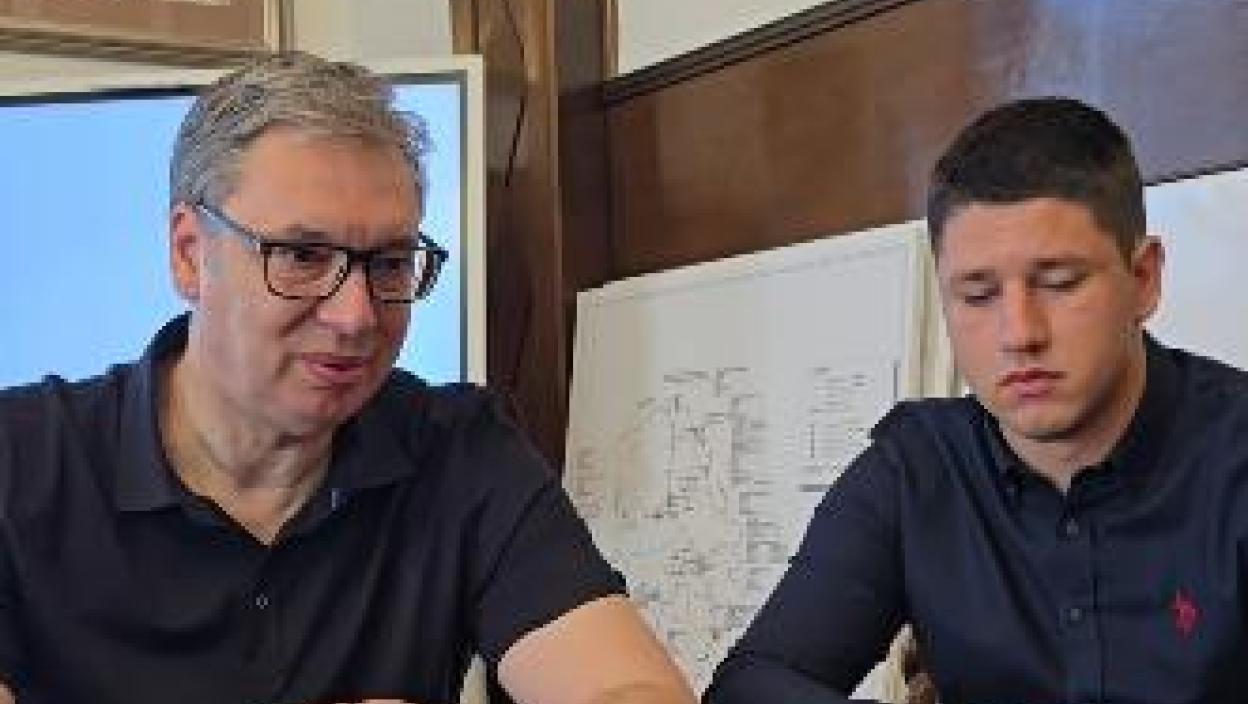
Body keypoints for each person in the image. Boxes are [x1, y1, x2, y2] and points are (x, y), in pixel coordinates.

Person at [0, 51, 695, 704]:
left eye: (390, 263)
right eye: (302, 256)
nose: (355, 316)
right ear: (189, 254)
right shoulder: (19, 460)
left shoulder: (461, 451)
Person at [704, 96, 1248, 703]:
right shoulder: (917, 469)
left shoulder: (1233, 453)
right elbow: (752, 683)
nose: (1020, 334)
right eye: (977, 296)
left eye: (1060, 283)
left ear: (1143, 279)